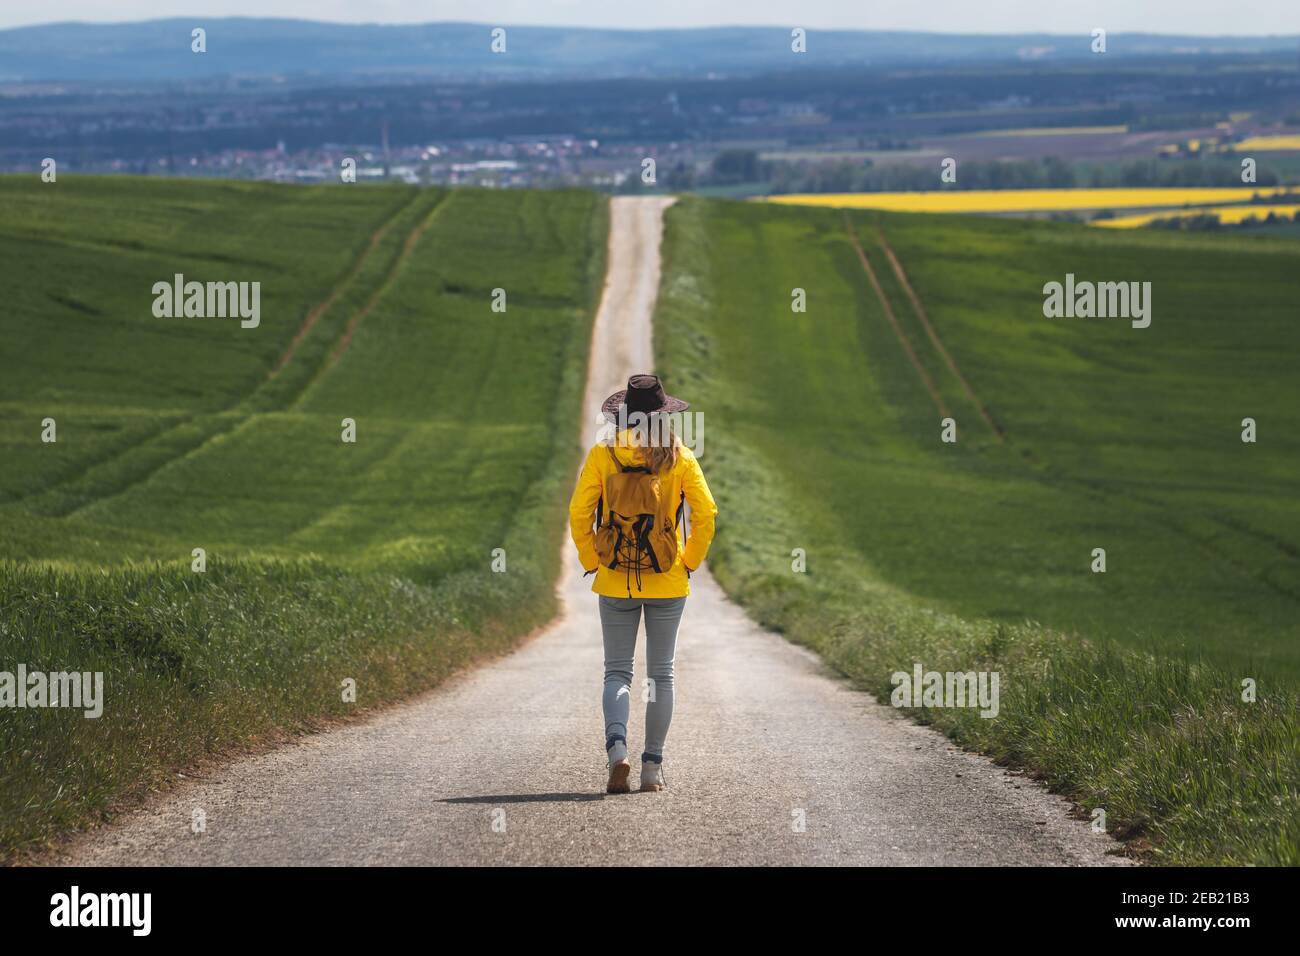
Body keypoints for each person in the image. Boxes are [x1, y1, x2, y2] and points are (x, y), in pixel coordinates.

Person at [568, 374, 717, 794]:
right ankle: (652, 767)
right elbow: (706, 515)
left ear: (622, 415)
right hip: (667, 580)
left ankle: (618, 752)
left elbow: (580, 514)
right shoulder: (679, 457)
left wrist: (592, 560)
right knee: (662, 674)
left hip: (615, 579)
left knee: (617, 671)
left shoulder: (603, 454)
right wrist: (688, 562)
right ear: (663, 416)